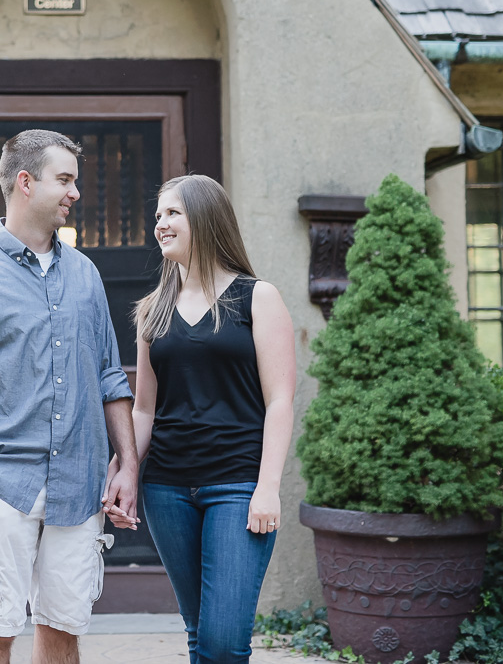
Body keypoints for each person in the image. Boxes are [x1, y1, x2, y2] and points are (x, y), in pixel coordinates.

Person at [0, 129, 139, 664]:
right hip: (5, 486)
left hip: (79, 487)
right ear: (25, 182)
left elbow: (110, 377)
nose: (74, 193)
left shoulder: (86, 276)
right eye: (64, 180)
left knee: (63, 631)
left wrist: (127, 465)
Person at [105, 174, 296, 664]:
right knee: (199, 633)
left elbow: (280, 402)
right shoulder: (153, 309)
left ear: (206, 218)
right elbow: (144, 407)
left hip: (237, 485)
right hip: (168, 488)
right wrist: (126, 468)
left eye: (173, 213)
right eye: (157, 216)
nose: (160, 225)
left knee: (222, 642)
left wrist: (268, 486)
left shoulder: (258, 298)